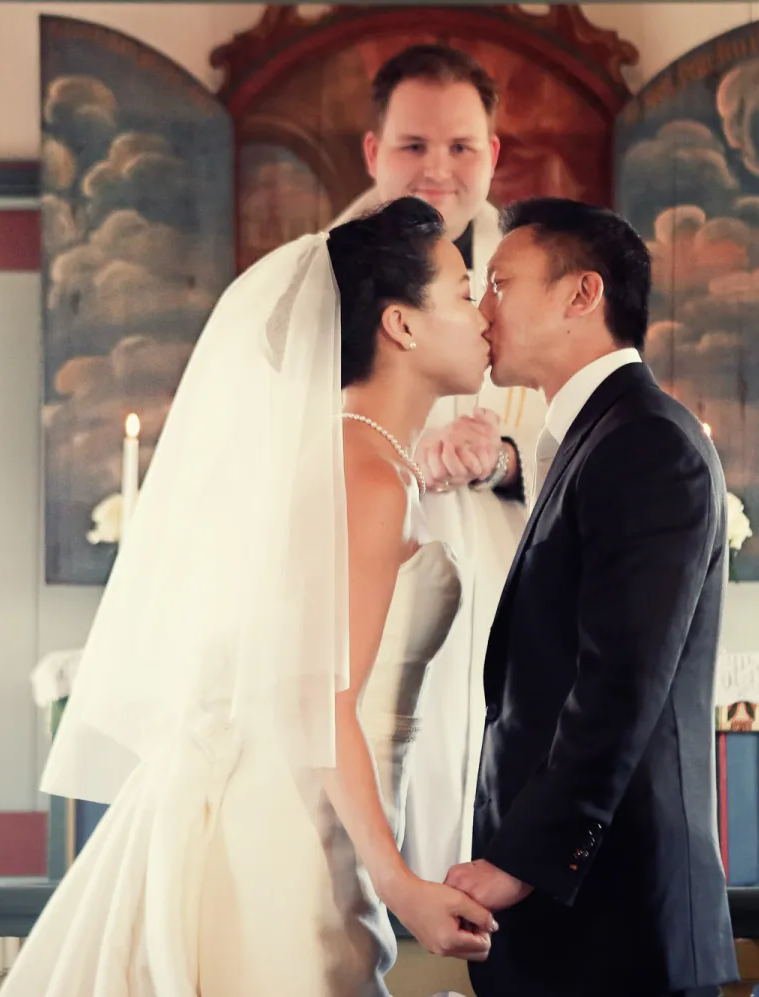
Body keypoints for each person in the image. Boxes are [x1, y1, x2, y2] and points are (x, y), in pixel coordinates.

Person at [0, 197, 501, 997]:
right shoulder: (362, 474)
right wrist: (401, 883)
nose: (485, 314)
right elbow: (321, 699)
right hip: (289, 831)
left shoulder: (371, 460)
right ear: (401, 325)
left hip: (318, 814)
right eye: (466, 292)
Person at [444, 198, 740, 997]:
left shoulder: (646, 443)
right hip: (579, 926)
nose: (482, 308)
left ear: (582, 295)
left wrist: (521, 860)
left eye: (501, 283)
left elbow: (619, 685)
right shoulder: (590, 438)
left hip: (617, 923)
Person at [330, 42, 548, 885]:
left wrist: (502, 455)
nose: (438, 170)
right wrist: (377, 446)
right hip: (361, 564)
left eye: (462, 146)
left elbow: (583, 440)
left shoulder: (540, 273)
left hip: (500, 579)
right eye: (415, 145)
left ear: (493, 153)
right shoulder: (316, 282)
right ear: (373, 151)